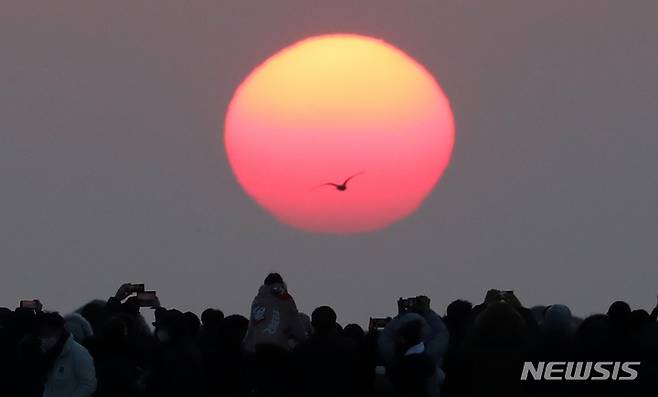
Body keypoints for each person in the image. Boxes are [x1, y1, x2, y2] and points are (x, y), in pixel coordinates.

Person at [242, 273, 307, 353]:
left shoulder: (257, 300)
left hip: (256, 349)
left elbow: (252, 326)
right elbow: (296, 325)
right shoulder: (285, 298)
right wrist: (305, 340)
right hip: (278, 348)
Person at [38, 312, 97, 397]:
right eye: (42, 335)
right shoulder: (49, 354)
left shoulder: (78, 353)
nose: (43, 339)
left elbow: (89, 383)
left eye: (46, 334)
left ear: (57, 331)